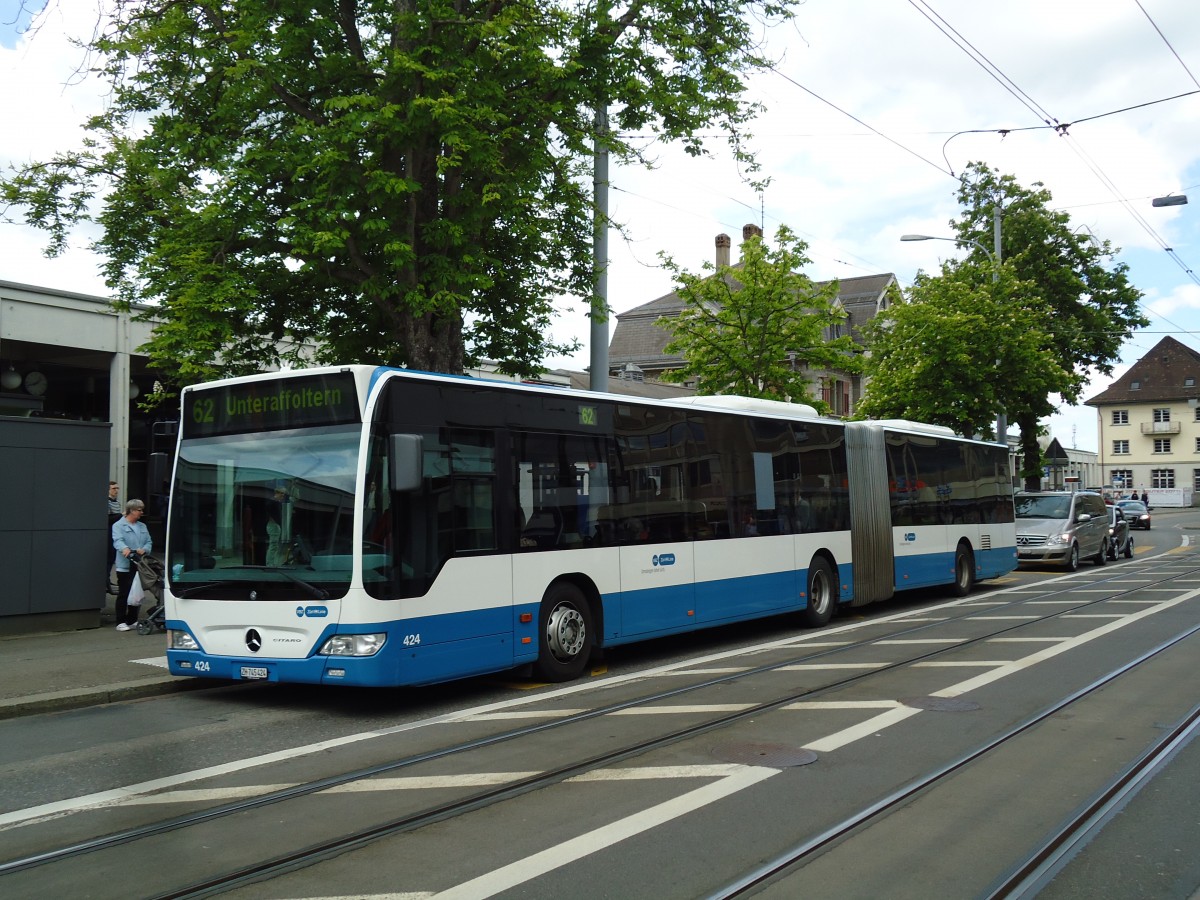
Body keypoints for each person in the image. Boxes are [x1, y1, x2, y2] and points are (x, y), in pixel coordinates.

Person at [112, 499, 152, 632]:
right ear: (132, 510)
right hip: (125, 564)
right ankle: (121, 621)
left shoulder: (142, 526)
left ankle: (132, 619)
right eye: (139, 510)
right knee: (125, 591)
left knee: (136, 592)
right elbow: (118, 540)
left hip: (139, 564)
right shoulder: (119, 526)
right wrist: (125, 549)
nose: (141, 512)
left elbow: (149, 542)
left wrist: (144, 549)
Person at [105, 481, 122, 594]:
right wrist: (121, 515)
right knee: (108, 558)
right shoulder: (107, 503)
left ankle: (107, 580)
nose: (116, 490)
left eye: (117, 488)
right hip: (109, 532)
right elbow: (108, 520)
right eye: (113, 488)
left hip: (115, 532)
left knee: (111, 558)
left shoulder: (117, 503)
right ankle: (105, 581)